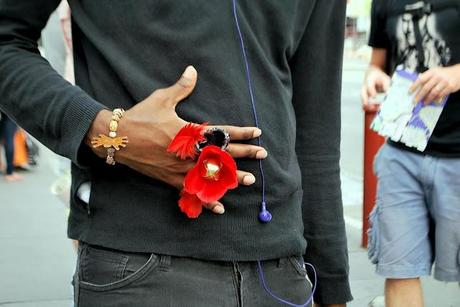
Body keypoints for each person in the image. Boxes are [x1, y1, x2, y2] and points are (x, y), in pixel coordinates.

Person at [0, 1, 352, 306]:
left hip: (285, 275)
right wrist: (109, 132)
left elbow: (316, 132)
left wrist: (331, 285)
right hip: (139, 265)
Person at [362, 1, 460, 306]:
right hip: (402, 153)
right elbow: (378, 62)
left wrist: (457, 73)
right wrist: (373, 76)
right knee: (399, 268)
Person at [0, 112, 23, 182]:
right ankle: (9, 173)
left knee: (2, 137)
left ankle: (2, 166)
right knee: (9, 139)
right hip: (9, 110)